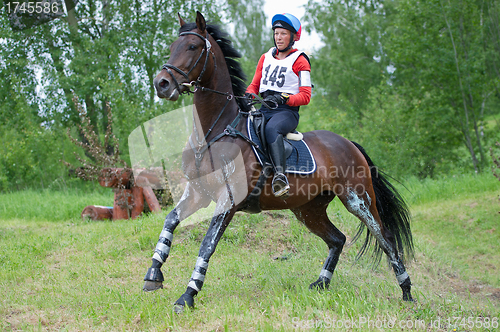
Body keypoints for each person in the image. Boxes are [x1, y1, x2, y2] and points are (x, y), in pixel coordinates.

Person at [246, 13, 312, 198]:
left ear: (292, 37)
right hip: (264, 108)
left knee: (272, 129)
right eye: (276, 33)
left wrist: (285, 99)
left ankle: (280, 177)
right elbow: (254, 85)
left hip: (286, 113)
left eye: (283, 34)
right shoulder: (265, 57)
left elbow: (306, 96)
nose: (279, 37)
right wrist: (248, 95)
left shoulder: (300, 60)